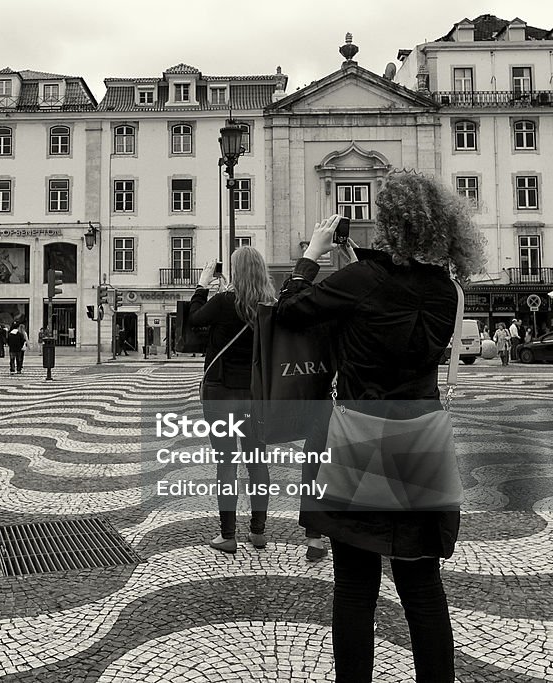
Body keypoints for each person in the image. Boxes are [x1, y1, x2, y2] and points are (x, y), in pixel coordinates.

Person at [275, 172, 485, 682]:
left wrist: (315, 254)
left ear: (390, 221)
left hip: (359, 437)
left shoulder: (360, 281)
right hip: (421, 440)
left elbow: (288, 311)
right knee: (421, 584)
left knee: (354, 583)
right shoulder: (446, 289)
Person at [189, 247, 275, 554]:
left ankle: (228, 535)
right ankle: (259, 532)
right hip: (255, 395)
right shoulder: (269, 305)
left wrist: (202, 285)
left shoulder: (225, 302)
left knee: (226, 464)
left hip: (221, 394)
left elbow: (195, 319)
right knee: (257, 462)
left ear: (236, 273)